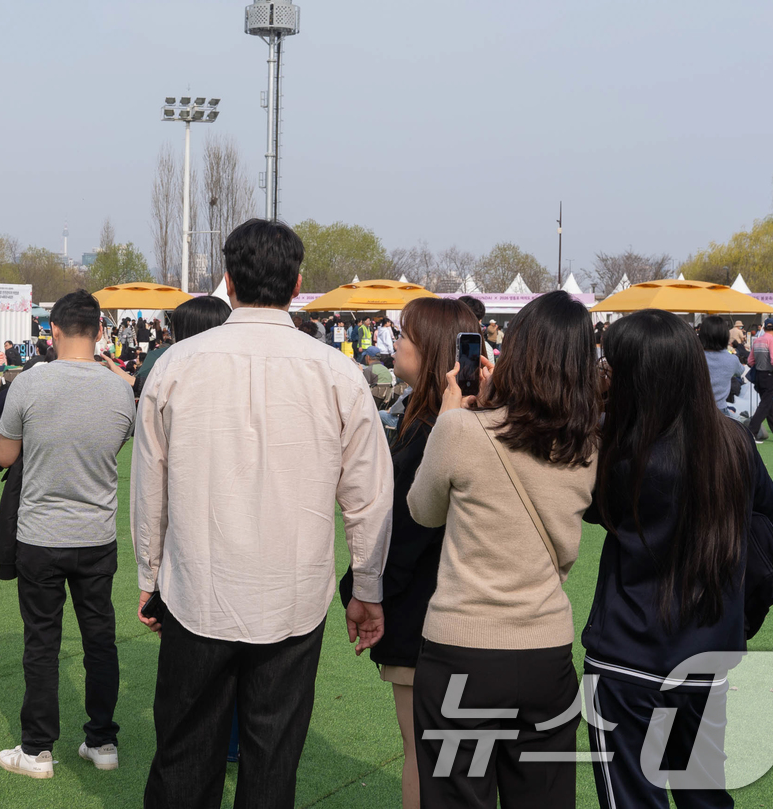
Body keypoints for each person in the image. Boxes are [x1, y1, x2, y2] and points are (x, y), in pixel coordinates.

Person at [132, 219, 394, 809]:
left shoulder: (176, 366)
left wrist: (150, 579)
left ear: (227, 280)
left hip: (199, 587)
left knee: (183, 756)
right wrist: (367, 588)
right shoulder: (337, 372)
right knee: (272, 761)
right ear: (298, 283)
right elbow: (369, 496)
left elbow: (150, 491)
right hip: (290, 596)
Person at [584, 309, 773, 808]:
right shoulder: (735, 441)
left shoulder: (619, 449)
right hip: (707, 654)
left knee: (635, 799)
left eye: (611, 366)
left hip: (629, 660)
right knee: (704, 797)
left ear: (634, 376)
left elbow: (583, 507)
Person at [408, 290, 600, 809]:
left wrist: (456, 412)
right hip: (546, 652)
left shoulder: (460, 429)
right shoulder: (587, 449)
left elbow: (422, 510)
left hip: (461, 650)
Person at [341, 296, 482, 809]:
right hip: (458, 611)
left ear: (433, 349)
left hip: (425, 613)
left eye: (405, 334)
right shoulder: (446, 420)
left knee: (425, 755)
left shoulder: (434, 430)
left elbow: (406, 531)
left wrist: (363, 589)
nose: (395, 341)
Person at [0, 290, 136, 779]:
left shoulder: (31, 384)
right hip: (96, 534)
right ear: (99, 332)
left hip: (41, 533)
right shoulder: (119, 390)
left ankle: (37, 749)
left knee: (42, 642)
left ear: (52, 331)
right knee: (100, 640)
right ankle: (102, 740)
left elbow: (6, 456)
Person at [747, 319, 773, 443]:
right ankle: (751, 432)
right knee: (764, 406)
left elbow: (750, 361)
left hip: (758, 376)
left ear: (763, 328)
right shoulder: (772, 341)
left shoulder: (757, 340)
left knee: (768, 405)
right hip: (769, 376)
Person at [699, 315, 746, 412]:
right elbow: (740, 371)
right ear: (725, 336)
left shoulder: (693, 356)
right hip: (720, 410)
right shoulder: (732, 359)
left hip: (695, 410)